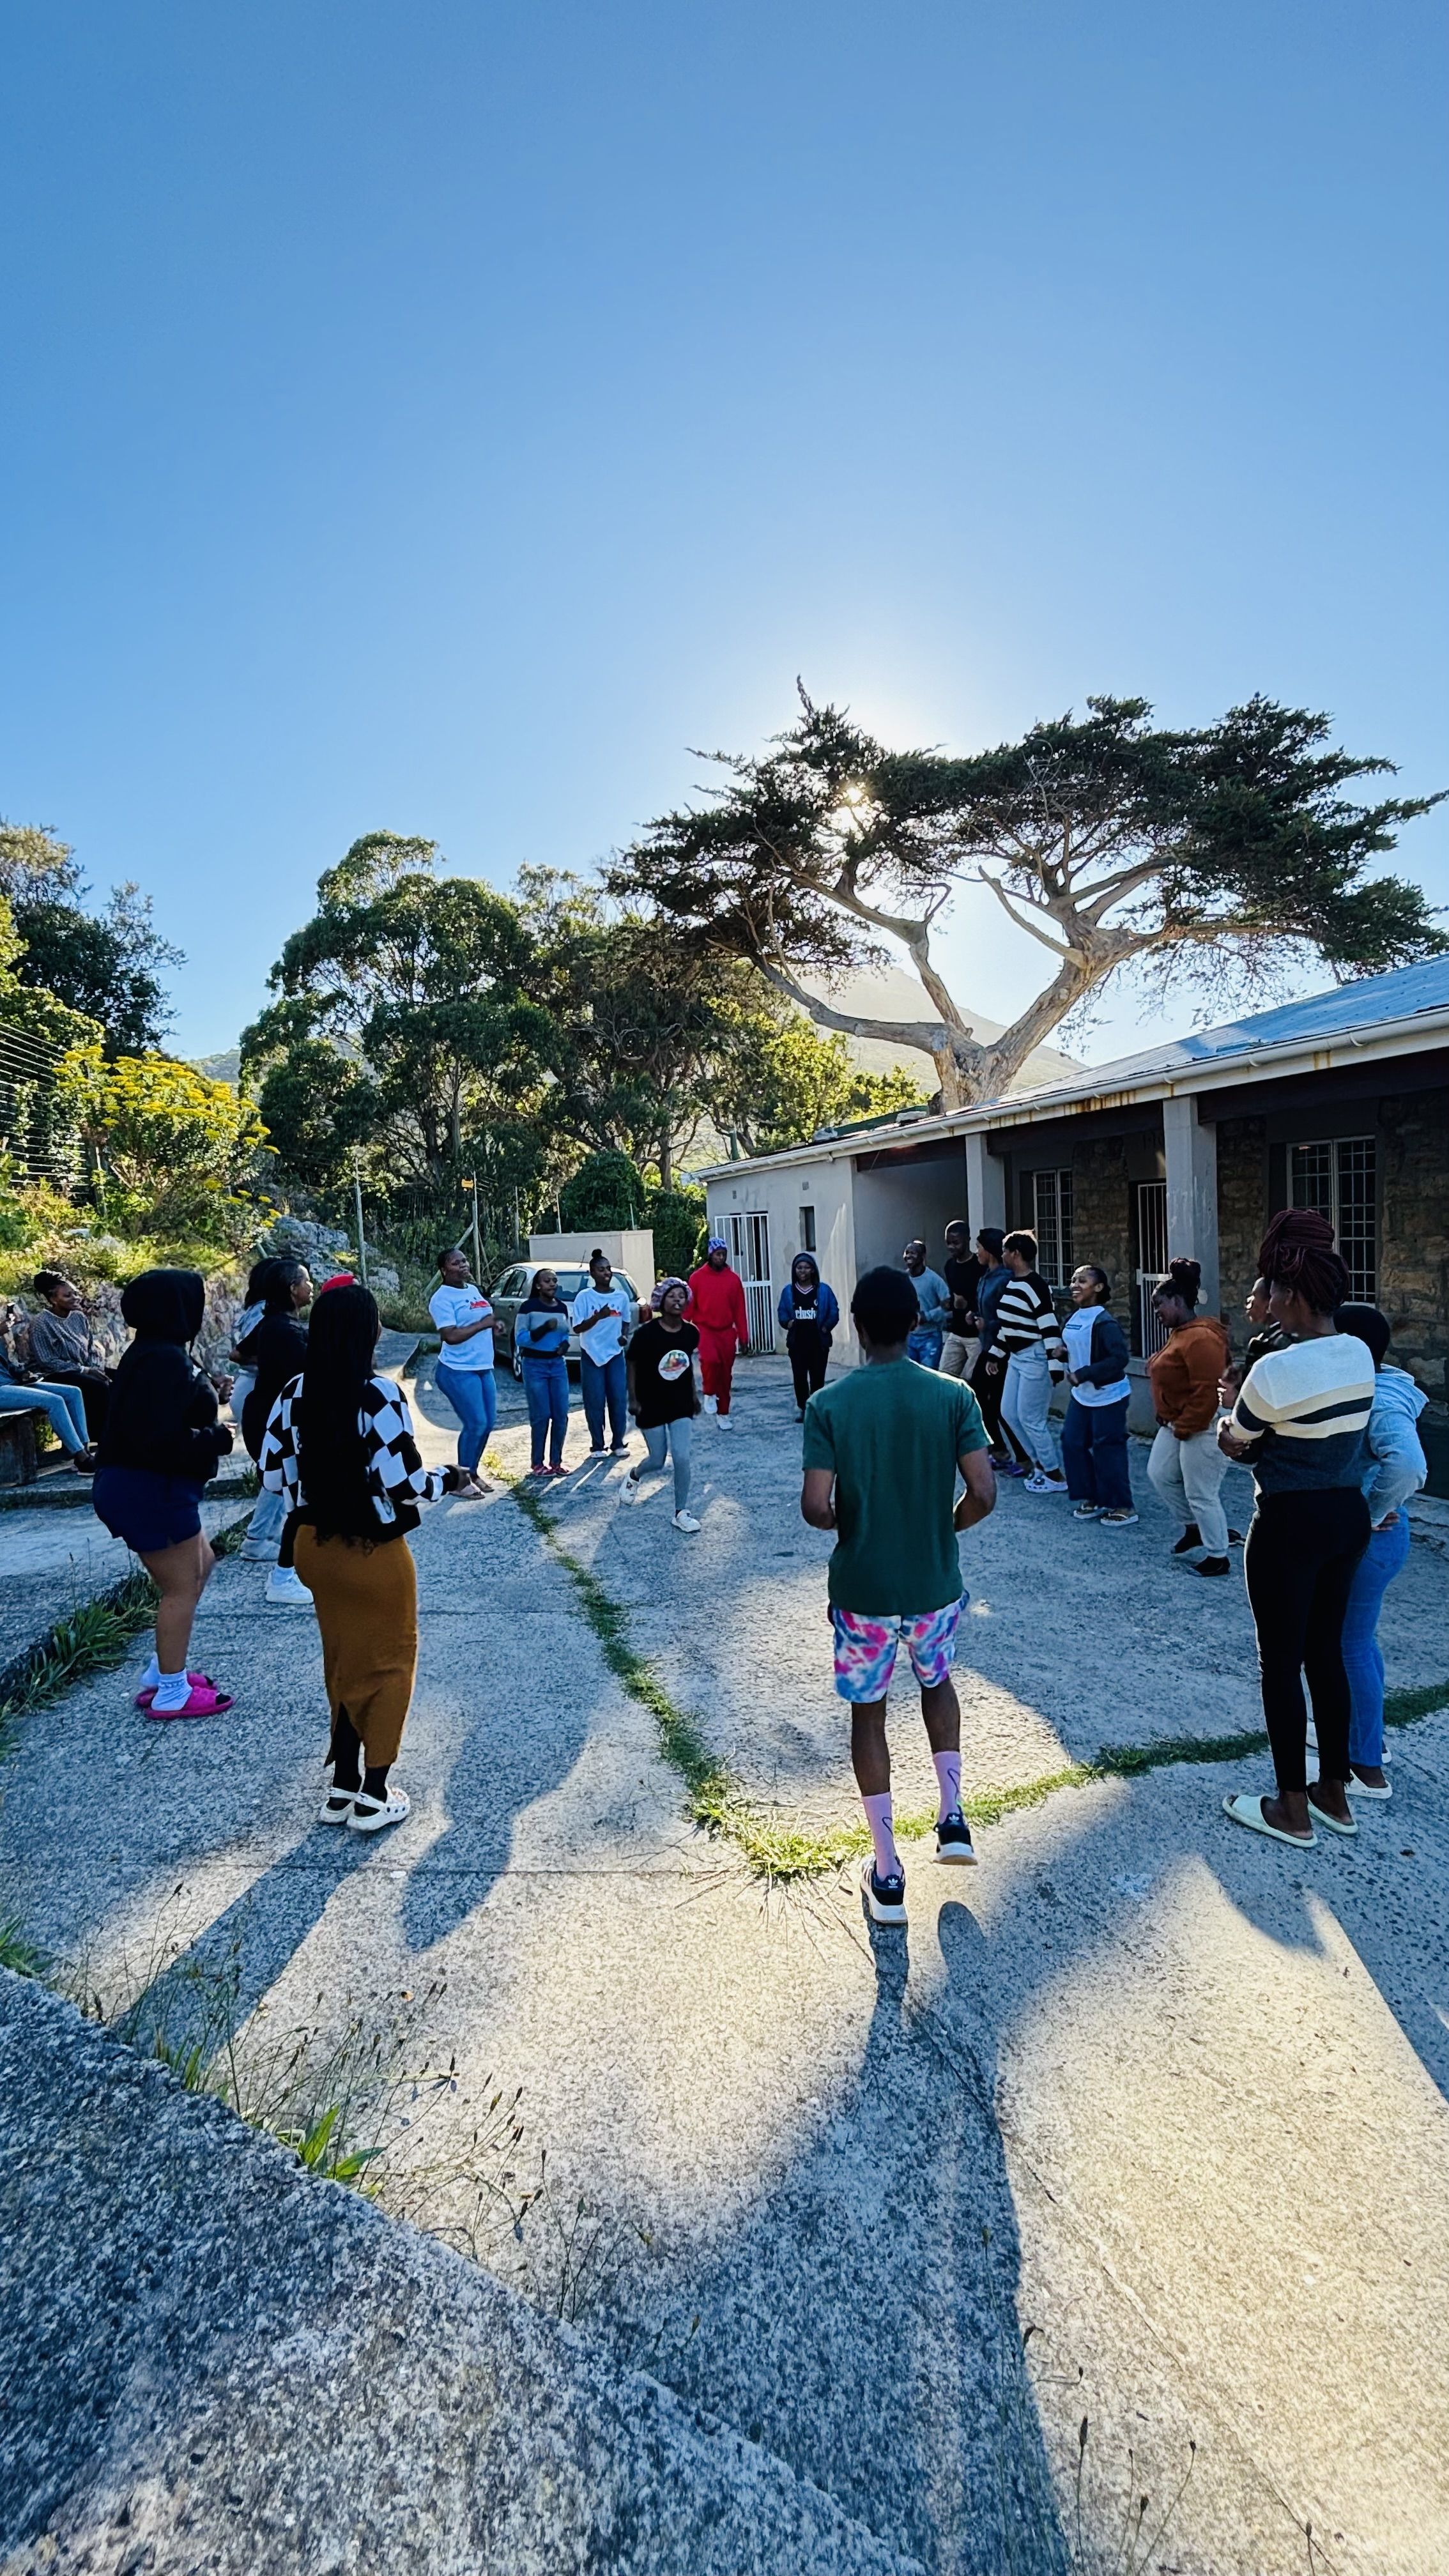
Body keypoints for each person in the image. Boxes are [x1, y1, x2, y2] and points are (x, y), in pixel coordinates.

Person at [801, 1264, 996, 1926]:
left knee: (869, 1714)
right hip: (935, 1585)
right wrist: (943, 1526)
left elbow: (815, 1507)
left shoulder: (829, 1405)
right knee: (937, 1686)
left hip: (863, 1591)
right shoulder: (953, 1397)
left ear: (854, 1324)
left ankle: (886, 1869)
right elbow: (985, 1494)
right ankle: (953, 1816)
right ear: (917, 1322)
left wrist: (846, 1520)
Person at [259, 1282, 479, 1834]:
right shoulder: (377, 1395)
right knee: (388, 1664)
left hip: (315, 1547)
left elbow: (270, 1474)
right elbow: (402, 1483)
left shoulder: (292, 1393)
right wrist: (449, 1479)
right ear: (365, 1332)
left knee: (343, 1661)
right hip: (372, 1552)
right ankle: (376, 1795)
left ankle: (341, 1788)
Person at [1218, 1208, 1375, 1849]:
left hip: (1288, 1521)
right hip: (1347, 1514)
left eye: (1274, 1290)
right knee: (1327, 1653)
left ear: (1291, 1293)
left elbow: (1239, 1444)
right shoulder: (1361, 1352)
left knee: (1279, 1665)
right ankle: (1334, 1792)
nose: (1269, 1301)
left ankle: (1290, 1806)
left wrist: (1230, 1416)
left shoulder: (1274, 1370)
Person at [91, 1269, 234, 1720]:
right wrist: (216, 1439)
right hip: (148, 1486)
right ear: (175, 1308)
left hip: (149, 1484)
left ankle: (163, 1669)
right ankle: (171, 1691)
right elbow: (158, 1442)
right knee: (181, 1588)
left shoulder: (156, 1353)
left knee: (203, 1563)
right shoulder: (162, 1360)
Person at [1333, 1301, 1427, 1798]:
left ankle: (1367, 1768)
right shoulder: (1376, 1381)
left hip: (1373, 1539)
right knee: (1361, 1643)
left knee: (1349, 1646)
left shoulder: (1382, 1399)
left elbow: (1410, 1466)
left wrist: (1368, 1513)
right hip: (1380, 1537)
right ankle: (1369, 1740)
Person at [1146, 1258, 1235, 1575]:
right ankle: (1196, 1528)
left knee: (1200, 1491)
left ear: (1178, 1300)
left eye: (1159, 1305)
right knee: (1160, 1474)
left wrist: (1185, 1426)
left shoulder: (1201, 1337)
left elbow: (1208, 1391)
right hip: (1178, 1423)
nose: (1156, 1312)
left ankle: (1217, 1554)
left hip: (1202, 1425)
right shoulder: (1184, 1332)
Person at [234, 1257, 315, 1593]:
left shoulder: (279, 1324)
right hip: (272, 1412)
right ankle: (258, 1539)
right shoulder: (281, 1329)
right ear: (293, 1290)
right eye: (306, 1281)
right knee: (280, 1475)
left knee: (279, 1476)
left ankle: (261, 1537)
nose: (312, 1286)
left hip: (269, 1409)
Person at [1059, 1266, 1137, 1524]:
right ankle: (1090, 1497)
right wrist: (1063, 1354)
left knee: (1107, 1448)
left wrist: (1085, 1373)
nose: (1075, 1285)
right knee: (1072, 1442)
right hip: (1083, 1396)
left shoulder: (1105, 1322)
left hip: (1109, 1395)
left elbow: (1119, 1358)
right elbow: (1078, 1347)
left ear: (1099, 1288)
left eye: (1083, 1281)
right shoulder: (1075, 1317)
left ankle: (1123, 1506)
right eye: (1073, 1281)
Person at [624, 1279, 701, 1530]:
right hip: (651, 1402)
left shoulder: (691, 1333)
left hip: (680, 1403)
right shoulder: (646, 1333)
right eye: (672, 1296)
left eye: (682, 1296)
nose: (678, 1300)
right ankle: (635, 1475)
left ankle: (681, 1512)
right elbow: (632, 1363)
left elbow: (686, 1367)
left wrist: (694, 1395)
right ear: (661, 1301)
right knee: (657, 1460)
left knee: (681, 1456)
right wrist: (633, 1399)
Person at [995, 1231, 1067, 1493]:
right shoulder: (1014, 1283)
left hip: (1036, 1356)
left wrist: (1055, 1366)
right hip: (1017, 1357)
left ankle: (1055, 1475)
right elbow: (1010, 1325)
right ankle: (1039, 1464)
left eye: (1005, 1250)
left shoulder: (1035, 1285)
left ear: (1015, 1253)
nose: (1002, 1255)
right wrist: (996, 1354)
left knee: (1031, 1418)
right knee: (1009, 1413)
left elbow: (1049, 1326)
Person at [427, 1246, 498, 1481]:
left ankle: (473, 1473)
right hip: (457, 1370)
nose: (464, 1265)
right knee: (476, 1423)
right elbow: (451, 1336)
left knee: (488, 1424)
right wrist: (483, 1325)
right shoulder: (441, 1299)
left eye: (465, 1261)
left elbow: (482, 1319)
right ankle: (461, 1480)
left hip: (483, 1367)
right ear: (443, 1270)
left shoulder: (474, 1290)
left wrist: (494, 1326)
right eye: (456, 1263)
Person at [0, 1306, 96, 1472]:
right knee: (54, 1401)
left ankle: (84, 1450)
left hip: (10, 1383)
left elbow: (6, 1364)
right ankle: (82, 1457)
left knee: (73, 1392)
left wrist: (23, 1374)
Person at [967, 1229, 1028, 1475]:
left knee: (1004, 1407)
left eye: (979, 1246)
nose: (976, 1252)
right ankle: (1000, 1451)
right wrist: (974, 1317)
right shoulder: (985, 1278)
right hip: (988, 1347)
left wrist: (989, 1325)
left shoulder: (1005, 1279)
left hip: (1004, 1350)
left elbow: (1013, 1317)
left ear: (990, 1250)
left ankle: (1024, 1458)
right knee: (981, 1400)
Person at [27, 1272, 114, 1437]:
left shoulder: (79, 1317)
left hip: (81, 1369)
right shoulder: (41, 1323)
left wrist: (94, 1369)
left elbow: (90, 1347)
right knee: (97, 1387)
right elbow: (47, 1361)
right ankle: (100, 1437)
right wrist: (86, 1371)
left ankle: (126, 1431)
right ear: (53, 1300)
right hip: (54, 1374)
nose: (75, 1298)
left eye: (75, 1293)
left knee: (121, 1378)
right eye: (68, 1296)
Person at [571, 1250, 634, 1456]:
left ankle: (618, 1443)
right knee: (595, 1401)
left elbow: (625, 1323)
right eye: (601, 1269)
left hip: (615, 1354)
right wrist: (598, 1317)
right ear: (592, 1274)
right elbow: (577, 1328)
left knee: (617, 1398)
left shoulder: (621, 1297)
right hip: (592, 1355)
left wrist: (624, 1337)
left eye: (608, 1269)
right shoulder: (584, 1297)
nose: (607, 1273)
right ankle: (597, 1445)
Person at [514, 1267, 572, 1475]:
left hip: (557, 1365)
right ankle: (537, 1463)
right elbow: (520, 1338)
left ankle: (556, 1462)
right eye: (547, 1281)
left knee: (561, 1415)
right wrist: (544, 1329)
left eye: (555, 1281)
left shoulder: (562, 1308)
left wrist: (565, 1345)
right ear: (538, 1285)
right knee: (541, 1416)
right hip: (534, 1365)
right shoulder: (528, 1308)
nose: (552, 1284)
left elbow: (565, 1333)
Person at [686, 1239, 749, 1427]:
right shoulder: (697, 1278)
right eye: (717, 1254)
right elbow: (690, 1307)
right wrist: (680, 1329)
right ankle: (709, 1392)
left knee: (725, 1374)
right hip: (705, 1329)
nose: (720, 1258)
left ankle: (723, 1414)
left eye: (723, 1254)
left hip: (727, 1331)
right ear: (710, 1255)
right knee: (710, 1361)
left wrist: (744, 1337)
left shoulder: (733, 1279)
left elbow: (740, 1310)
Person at [777, 1254, 840, 1419]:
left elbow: (834, 1311)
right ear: (794, 1270)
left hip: (818, 1343)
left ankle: (816, 1408)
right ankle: (804, 1408)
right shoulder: (788, 1292)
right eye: (799, 1268)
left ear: (813, 1270)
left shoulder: (823, 1290)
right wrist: (787, 1322)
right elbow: (782, 1312)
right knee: (799, 1377)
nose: (802, 1271)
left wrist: (826, 1327)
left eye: (806, 1267)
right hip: (797, 1343)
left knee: (818, 1378)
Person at [940, 1220, 983, 1380]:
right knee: (944, 1377)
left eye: (956, 1243)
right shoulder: (949, 1266)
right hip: (957, 1332)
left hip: (976, 1337)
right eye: (948, 1243)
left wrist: (969, 1306)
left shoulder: (979, 1266)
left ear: (967, 1240)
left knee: (971, 1380)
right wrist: (951, 1304)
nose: (951, 1247)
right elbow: (954, 1298)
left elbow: (986, 1299)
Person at [900, 1239, 952, 1370]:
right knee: (909, 1375)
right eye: (907, 1252)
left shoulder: (934, 1280)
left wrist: (927, 1316)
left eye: (913, 1253)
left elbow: (949, 1305)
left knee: (928, 1375)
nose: (909, 1256)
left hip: (930, 1338)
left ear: (923, 1257)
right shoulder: (902, 1279)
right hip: (909, 1338)